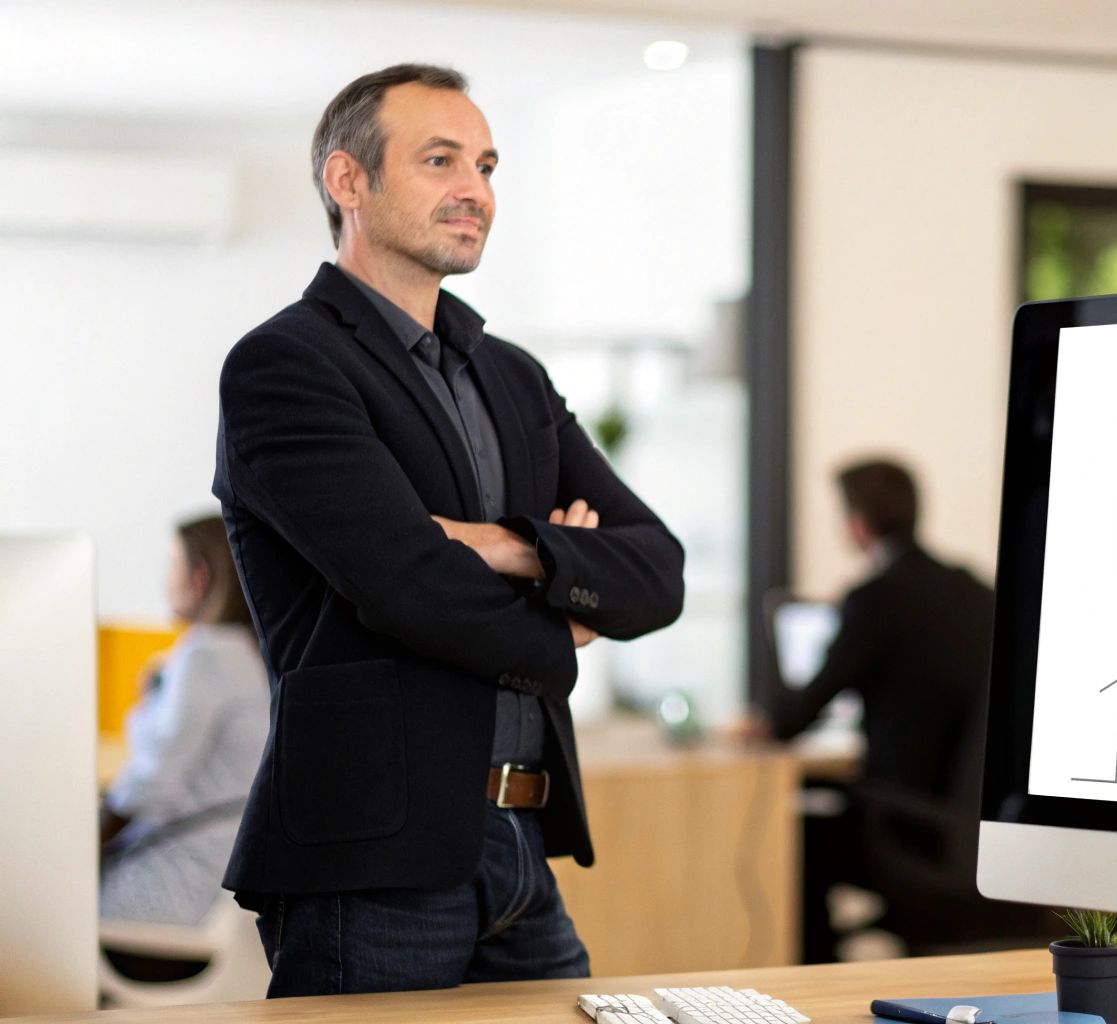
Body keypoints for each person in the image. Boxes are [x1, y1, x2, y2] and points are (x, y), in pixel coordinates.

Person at [213, 63, 684, 996]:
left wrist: (509, 546)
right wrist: (568, 615)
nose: (476, 189)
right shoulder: (284, 365)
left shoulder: (511, 376)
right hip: (372, 855)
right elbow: (409, 586)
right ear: (349, 181)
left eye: (487, 164)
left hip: (522, 844)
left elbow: (658, 570)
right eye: (440, 160)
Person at [754, 459, 996, 960]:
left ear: (858, 524)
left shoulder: (874, 599)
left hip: (907, 830)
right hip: (971, 830)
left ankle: (814, 986)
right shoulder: (978, 593)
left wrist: (758, 724)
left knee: (800, 836)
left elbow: (796, 716)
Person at [100, 515, 268, 938]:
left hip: (172, 892)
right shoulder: (253, 652)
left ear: (199, 576)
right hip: (227, 890)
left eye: (171, 564)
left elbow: (149, 786)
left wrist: (79, 848)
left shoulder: (207, 656)